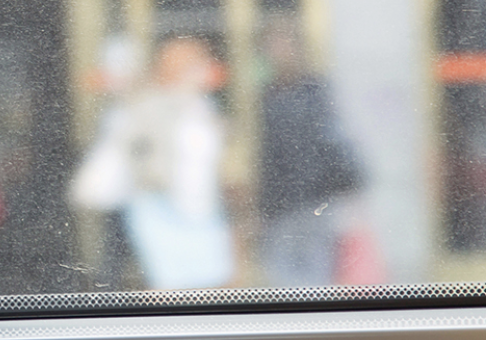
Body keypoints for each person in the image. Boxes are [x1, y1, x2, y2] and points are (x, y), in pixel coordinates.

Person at [70, 36, 233, 290]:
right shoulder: (152, 108)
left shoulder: (201, 108)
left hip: (198, 210)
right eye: (195, 67)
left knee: (208, 284)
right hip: (162, 205)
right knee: (172, 285)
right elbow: (134, 154)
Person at [256, 16, 364, 286]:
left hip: (314, 199)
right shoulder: (269, 94)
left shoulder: (314, 91)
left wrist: (343, 185)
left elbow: (331, 141)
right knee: (283, 277)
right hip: (281, 205)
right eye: (270, 47)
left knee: (314, 275)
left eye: (281, 46)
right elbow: (269, 155)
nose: (276, 54)